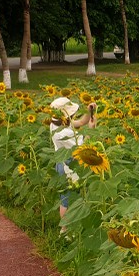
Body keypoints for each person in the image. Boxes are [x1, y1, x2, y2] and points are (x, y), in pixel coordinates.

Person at [49, 97, 96, 227]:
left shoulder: (56, 123)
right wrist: (91, 130)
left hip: (66, 163)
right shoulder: (62, 132)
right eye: (72, 114)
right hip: (67, 165)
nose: (74, 116)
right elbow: (81, 148)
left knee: (73, 197)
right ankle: (65, 229)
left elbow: (80, 122)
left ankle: (73, 226)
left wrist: (89, 112)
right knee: (66, 200)